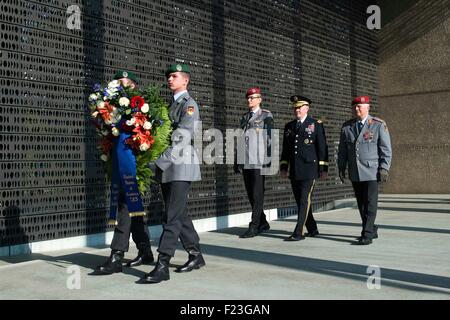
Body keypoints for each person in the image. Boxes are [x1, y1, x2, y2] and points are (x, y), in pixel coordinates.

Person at [138, 64, 204, 284]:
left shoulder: (189, 105)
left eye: (174, 76)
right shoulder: (170, 105)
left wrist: (158, 163)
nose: (169, 79)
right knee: (179, 213)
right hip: (169, 167)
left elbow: (182, 138)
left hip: (180, 166)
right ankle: (196, 255)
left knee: (171, 217)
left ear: (185, 80)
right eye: (168, 76)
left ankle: (163, 264)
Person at [94, 70, 153, 275]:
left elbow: (146, 136)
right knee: (132, 210)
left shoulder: (140, 109)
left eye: (125, 83)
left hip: (132, 165)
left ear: (133, 86)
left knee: (124, 209)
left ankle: (116, 255)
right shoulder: (113, 111)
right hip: (118, 163)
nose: (122, 86)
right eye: (119, 83)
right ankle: (145, 251)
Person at [338, 95, 392, 245]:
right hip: (355, 172)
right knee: (361, 204)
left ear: (367, 107)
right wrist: (341, 168)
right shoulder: (347, 127)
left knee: (370, 203)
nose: (356, 109)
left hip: (371, 171)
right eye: (354, 107)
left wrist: (384, 168)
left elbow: (386, 149)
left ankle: (367, 233)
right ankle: (372, 228)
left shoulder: (378, 125)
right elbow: (342, 151)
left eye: (359, 106)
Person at [280, 95, 328, 241]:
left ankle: (298, 232)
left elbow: (322, 147)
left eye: (299, 107)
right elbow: (286, 149)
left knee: (304, 200)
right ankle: (312, 228)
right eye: (295, 108)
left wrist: (323, 168)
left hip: (309, 168)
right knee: (300, 200)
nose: (297, 110)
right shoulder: (289, 126)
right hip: (294, 169)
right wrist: (284, 166)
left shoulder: (315, 124)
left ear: (307, 108)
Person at [234, 87, 273, 238]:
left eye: (253, 97)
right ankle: (263, 222)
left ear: (259, 99)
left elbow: (270, 138)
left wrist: (269, 159)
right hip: (246, 160)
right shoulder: (244, 117)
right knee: (251, 194)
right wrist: (237, 160)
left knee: (257, 194)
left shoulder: (266, 115)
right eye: (248, 98)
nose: (249, 100)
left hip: (259, 160)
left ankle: (254, 226)